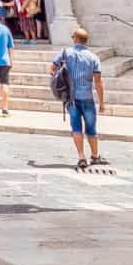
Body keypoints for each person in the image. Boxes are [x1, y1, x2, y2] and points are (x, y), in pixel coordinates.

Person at [54, 27, 107, 169]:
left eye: (73, 37)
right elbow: (98, 82)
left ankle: (81, 157)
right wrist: (101, 103)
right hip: (88, 97)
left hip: (71, 98)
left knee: (76, 127)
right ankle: (95, 156)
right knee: (91, 128)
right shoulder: (93, 57)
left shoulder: (65, 53)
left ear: (76, 39)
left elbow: (52, 69)